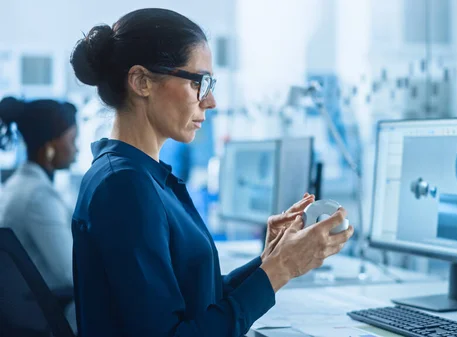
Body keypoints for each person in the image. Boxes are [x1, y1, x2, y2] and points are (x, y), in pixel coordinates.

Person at [70, 8, 354, 337]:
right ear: (141, 82)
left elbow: (195, 301)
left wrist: (271, 258)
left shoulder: (140, 176)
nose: (211, 101)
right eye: (200, 84)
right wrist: (283, 267)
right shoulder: (123, 186)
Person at [0, 97, 78, 293]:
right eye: (72, 140)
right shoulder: (38, 197)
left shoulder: (20, 184)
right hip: (48, 312)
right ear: (50, 147)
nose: (76, 149)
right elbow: (70, 272)